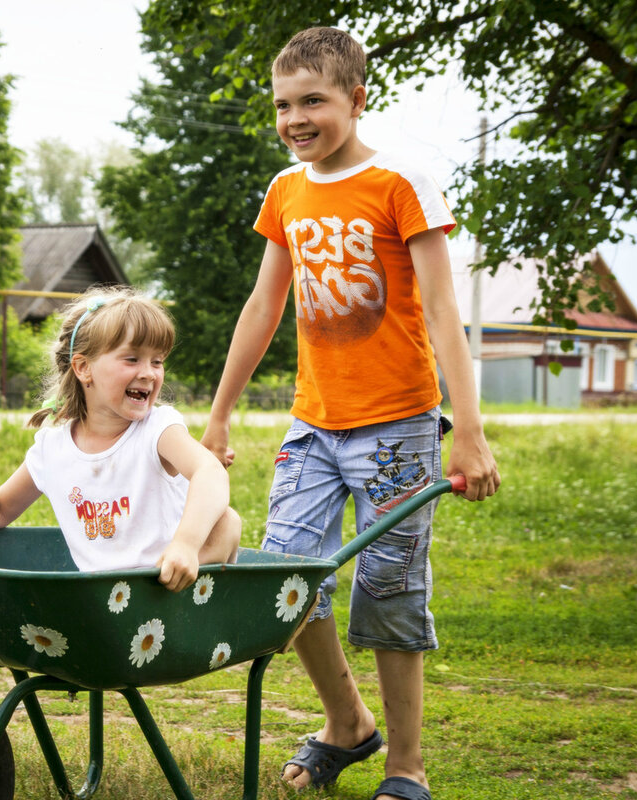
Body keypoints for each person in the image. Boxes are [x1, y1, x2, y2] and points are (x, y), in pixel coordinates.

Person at [199, 27, 501, 800]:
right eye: (282, 105)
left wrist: (466, 434)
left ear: (356, 99)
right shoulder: (286, 192)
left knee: (389, 592)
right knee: (286, 584)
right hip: (313, 425)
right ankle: (347, 723)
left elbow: (442, 310)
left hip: (399, 429)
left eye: (313, 102)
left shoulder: (402, 183)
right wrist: (221, 415)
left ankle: (406, 768)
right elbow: (264, 306)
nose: (295, 119)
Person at [0, 285, 241, 592]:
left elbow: (209, 472)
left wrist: (185, 545)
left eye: (158, 361)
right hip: (101, 597)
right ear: (83, 368)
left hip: (166, 584)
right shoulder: (53, 448)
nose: (148, 373)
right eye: (132, 359)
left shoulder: (158, 428)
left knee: (227, 522)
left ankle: (191, 577)